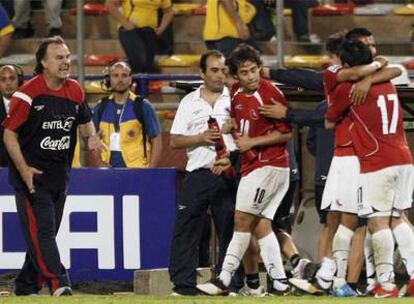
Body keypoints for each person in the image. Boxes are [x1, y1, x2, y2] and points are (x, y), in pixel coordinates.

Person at [2, 36, 105, 296]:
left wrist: (92, 138)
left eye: (67, 56)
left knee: (41, 237)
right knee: (44, 233)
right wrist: (24, 170)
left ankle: (25, 287)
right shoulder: (27, 95)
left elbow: (85, 121)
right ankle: (60, 284)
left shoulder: (75, 91)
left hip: (60, 177)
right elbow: (8, 134)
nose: (66, 61)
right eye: (59, 57)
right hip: (32, 178)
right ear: (44, 62)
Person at [197, 44, 293, 296]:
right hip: (254, 166)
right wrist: (234, 125)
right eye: (245, 72)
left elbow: (287, 133)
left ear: (259, 68)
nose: (251, 77)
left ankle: (224, 279)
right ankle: (280, 281)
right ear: (236, 75)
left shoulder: (269, 92)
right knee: (261, 225)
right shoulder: (237, 93)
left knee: (241, 220)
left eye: (254, 70)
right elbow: (248, 123)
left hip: (270, 165)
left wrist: (252, 142)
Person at [326, 39, 414, 298]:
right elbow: (399, 69)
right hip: (404, 156)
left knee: (378, 224)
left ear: (346, 65)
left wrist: (358, 82)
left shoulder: (350, 89)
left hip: (377, 161)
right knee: (398, 218)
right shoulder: (387, 81)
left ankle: (385, 285)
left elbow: (331, 119)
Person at [168, 50, 241, 296]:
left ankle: (229, 283)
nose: (220, 75)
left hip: (228, 170)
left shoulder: (235, 98)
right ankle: (183, 285)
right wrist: (200, 137)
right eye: (214, 70)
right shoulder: (189, 101)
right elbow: (175, 141)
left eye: (223, 71)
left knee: (229, 228)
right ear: (202, 73)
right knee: (186, 228)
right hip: (198, 173)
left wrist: (234, 129)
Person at [92, 61, 162, 168]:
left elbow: (156, 141)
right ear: (109, 79)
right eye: (115, 76)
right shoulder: (100, 107)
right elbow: (93, 140)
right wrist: (99, 163)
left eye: (124, 75)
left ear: (130, 80)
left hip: (137, 172)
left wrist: (150, 172)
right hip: (108, 173)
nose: (120, 80)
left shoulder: (143, 106)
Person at [105, 0, 174, 73]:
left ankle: (137, 80)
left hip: (149, 31)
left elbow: (168, 11)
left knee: (148, 66)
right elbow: (109, 3)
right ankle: (125, 76)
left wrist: (161, 28)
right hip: (131, 31)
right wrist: (125, 23)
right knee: (139, 61)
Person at [0, 64, 22, 166]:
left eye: (12, 78)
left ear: (19, 81)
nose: (8, 83)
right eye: (3, 80)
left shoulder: (31, 107)